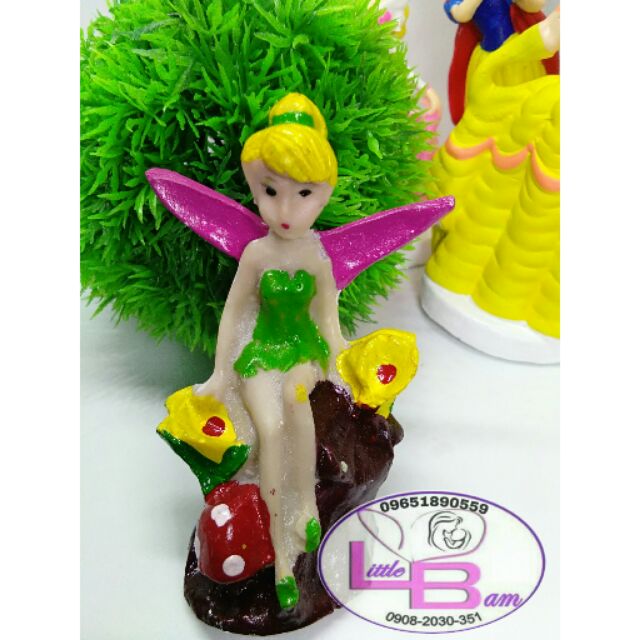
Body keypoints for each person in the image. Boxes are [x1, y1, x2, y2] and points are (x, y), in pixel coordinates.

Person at [194, 93, 348, 608]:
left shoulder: (317, 255)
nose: (285, 210)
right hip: (262, 351)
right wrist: (221, 372)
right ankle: (281, 554)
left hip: (302, 349)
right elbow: (234, 313)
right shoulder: (257, 255)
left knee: (297, 401)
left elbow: (328, 315)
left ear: (324, 194)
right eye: (270, 191)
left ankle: (306, 506)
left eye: (303, 194)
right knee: (270, 430)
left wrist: (339, 353)